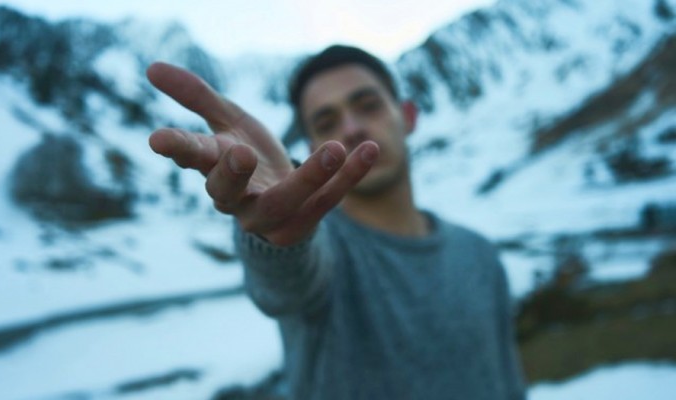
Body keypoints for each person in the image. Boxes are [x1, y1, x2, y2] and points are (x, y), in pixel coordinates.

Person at [147, 45, 526, 400]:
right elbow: (286, 281)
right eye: (327, 122)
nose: (351, 129)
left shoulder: (479, 255)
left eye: (368, 105)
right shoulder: (322, 254)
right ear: (314, 151)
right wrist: (275, 238)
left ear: (407, 116)